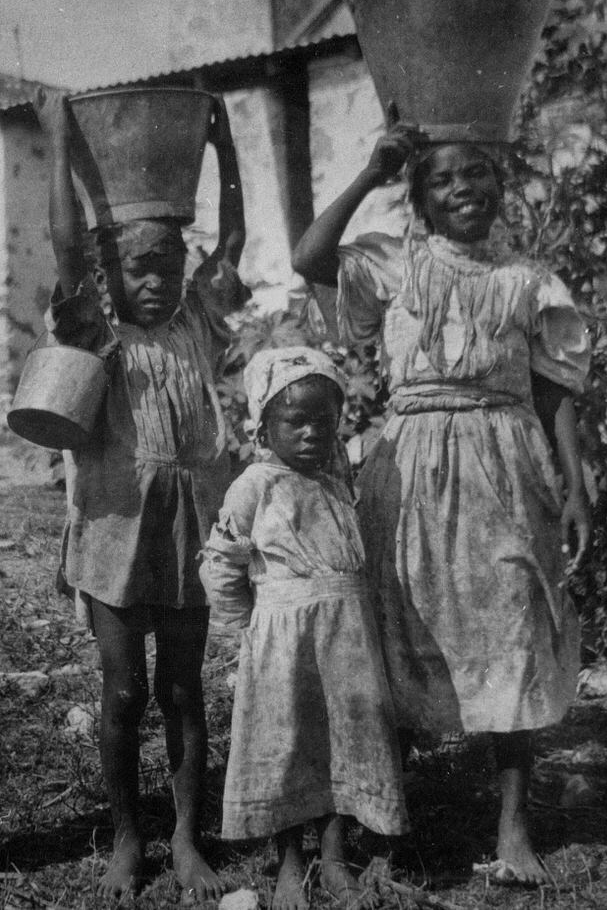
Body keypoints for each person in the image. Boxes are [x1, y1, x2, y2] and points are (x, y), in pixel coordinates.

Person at [291, 117, 592, 886]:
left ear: (500, 187)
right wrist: (369, 171)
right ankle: (391, 827)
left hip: (506, 465)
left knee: (515, 623)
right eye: (443, 180)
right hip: (414, 462)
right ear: (420, 199)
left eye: (477, 174)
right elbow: (310, 256)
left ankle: (513, 827)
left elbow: (556, 386)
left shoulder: (529, 282)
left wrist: (575, 479)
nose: (464, 189)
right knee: (400, 628)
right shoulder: (397, 266)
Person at [35, 89, 247, 902]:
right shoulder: (96, 329)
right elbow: (62, 249)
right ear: (109, 271)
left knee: (184, 689)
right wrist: (58, 144)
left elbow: (231, 237)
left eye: (169, 264)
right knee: (122, 690)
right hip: (116, 528)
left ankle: (188, 837)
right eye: (139, 266)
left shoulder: (197, 318)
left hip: (191, 525)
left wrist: (224, 151)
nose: (156, 281)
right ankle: (128, 839)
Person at [200, 347, 409, 910]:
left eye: (325, 419)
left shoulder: (339, 483)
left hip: (346, 639)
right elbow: (221, 561)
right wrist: (243, 629)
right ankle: (292, 862)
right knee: (286, 746)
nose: (313, 432)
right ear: (265, 426)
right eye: (296, 420)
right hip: (282, 643)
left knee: (344, 744)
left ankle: (336, 860)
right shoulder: (255, 486)